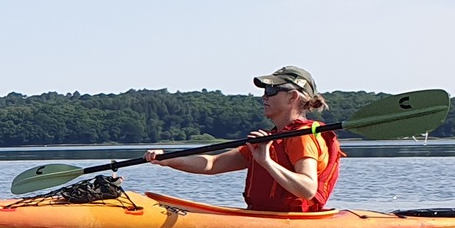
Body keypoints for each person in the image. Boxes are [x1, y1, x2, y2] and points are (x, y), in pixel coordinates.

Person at [144, 67, 344, 211]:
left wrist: (266, 161)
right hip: (265, 217)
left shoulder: (302, 137)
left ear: (292, 97)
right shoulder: (271, 139)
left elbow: (307, 189)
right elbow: (213, 164)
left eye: (272, 91)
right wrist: (167, 160)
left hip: (291, 223)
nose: (264, 97)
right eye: (265, 91)